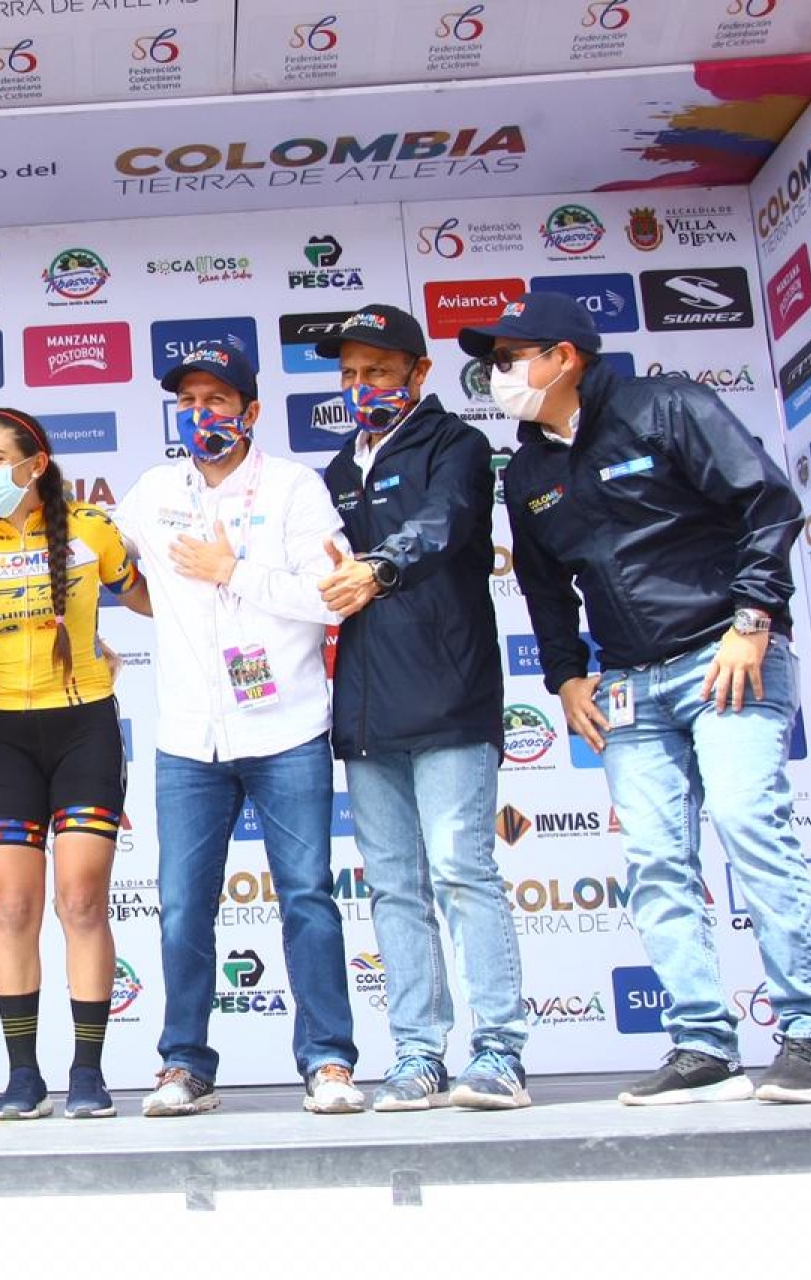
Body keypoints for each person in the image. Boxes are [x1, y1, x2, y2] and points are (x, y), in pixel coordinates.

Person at [464, 293, 811, 1105]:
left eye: (508, 358)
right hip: (630, 683)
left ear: (564, 356)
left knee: (749, 824)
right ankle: (704, 1047)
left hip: (726, 656)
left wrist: (753, 618)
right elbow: (544, 587)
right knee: (655, 861)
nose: (496, 375)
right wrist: (565, 675)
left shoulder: (664, 406)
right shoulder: (526, 471)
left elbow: (767, 502)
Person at [111, 344, 363, 1119]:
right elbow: (101, 558)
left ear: (251, 411)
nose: (201, 415)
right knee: (183, 906)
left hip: (287, 729)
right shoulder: (154, 491)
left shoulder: (294, 487)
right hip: (190, 740)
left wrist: (233, 571)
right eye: (188, 402)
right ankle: (185, 1065)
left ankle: (328, 1062)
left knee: (307, 897)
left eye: (217, 400)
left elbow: (332, 596)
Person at [312, 305, 529, 1112]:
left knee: (462, 871)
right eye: (349, 374)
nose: (360, 385)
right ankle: (417, 1053)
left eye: (377, 371)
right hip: (366, 710)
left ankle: (499, 1050)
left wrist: (381, 565)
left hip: (448, 696)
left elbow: (445, 523)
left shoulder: (457, 446)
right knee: (395, 887)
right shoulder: (337, 469)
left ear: (419, 372)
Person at [0, 407, 149, 1121]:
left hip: (84, 725)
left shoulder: (91, 528)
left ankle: (87, 1071)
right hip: (4, 731)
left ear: (36, 464)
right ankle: (23, 1075)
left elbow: (150, 598)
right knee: (14, 907)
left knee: (82, 901)